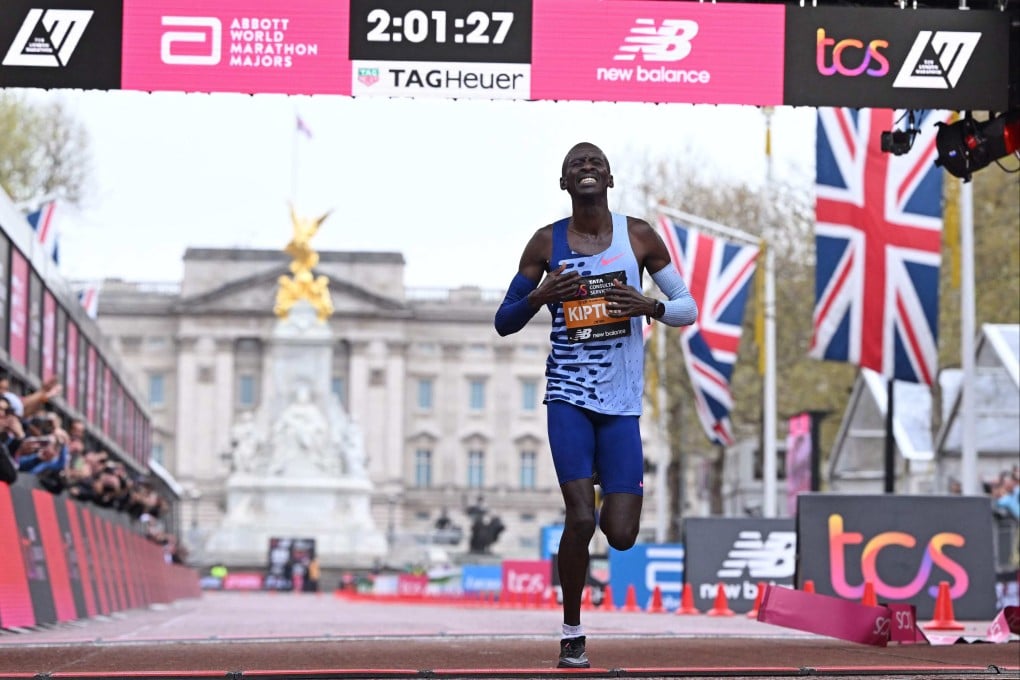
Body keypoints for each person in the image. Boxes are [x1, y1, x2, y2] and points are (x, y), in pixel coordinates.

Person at [494, 142, 697, 669]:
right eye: (575, 166)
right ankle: (571, 632)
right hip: (568, 395)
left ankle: (613, 485)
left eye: (594, 164)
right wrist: (544, 295)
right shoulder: (545, 243)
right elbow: (504, 319)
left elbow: (687, 309)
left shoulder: (639, 237)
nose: (586, 169)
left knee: (622, 535)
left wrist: (648, 304)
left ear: (609, 178)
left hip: (622, 402)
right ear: (565, 184)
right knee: (580, 518)